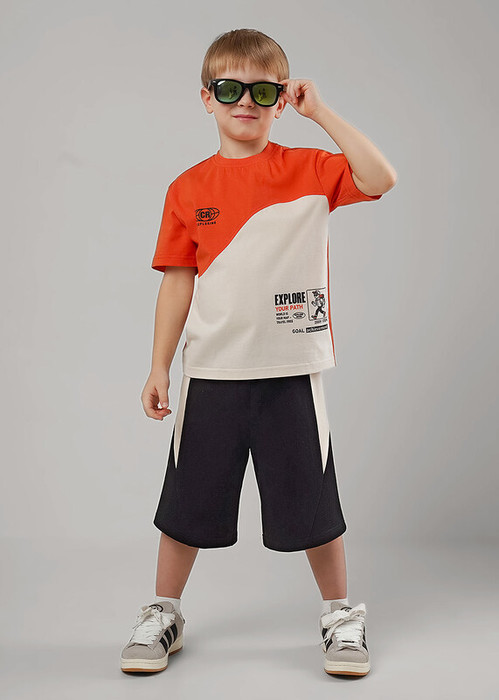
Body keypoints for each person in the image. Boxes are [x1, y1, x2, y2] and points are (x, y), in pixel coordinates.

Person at [120, 28, 397, 678]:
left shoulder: (311, 169)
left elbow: (381, 177)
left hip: (291, 371)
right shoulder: (187, 188)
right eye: (230, 89)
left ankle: (340, 615)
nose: (245, 101)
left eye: (263, 91)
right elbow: (177, 281)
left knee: (314, 504)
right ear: (206, 97)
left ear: (281, 100)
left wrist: (320, 112)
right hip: (212, 372)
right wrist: (159, 366)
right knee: (186, 504)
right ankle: (163, 612)